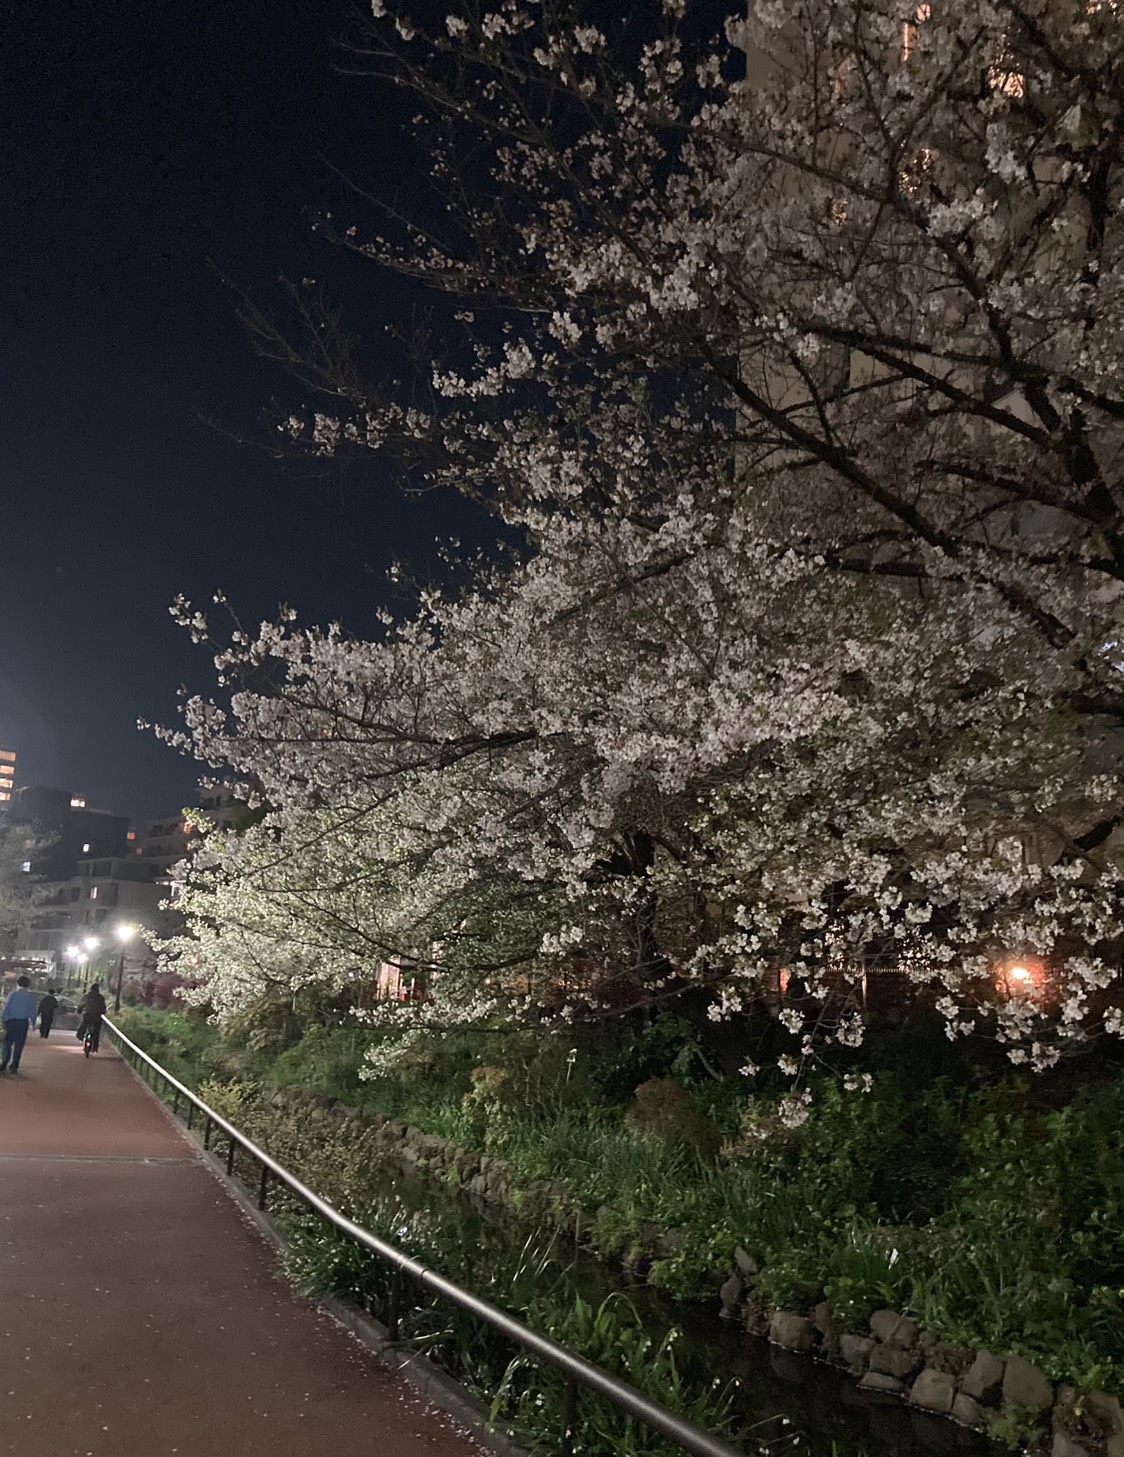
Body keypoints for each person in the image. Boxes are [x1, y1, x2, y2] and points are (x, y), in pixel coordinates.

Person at [1, 976, 39, 1073]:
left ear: (18, 983)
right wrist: (34, 1023)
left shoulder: (12, 994)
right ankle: (14, 1065)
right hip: (23, 1022)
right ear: (28, 984)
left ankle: (4, 1062)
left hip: (11, 1021)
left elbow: (6, 1008)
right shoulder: (30, 997)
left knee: (7, 1043)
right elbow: (33, 1011)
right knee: (19, 1044)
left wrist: (4, 1019)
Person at [76, 984, 107, 1053]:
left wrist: (79, 1011)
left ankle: (80, 1036)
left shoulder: (87, 996)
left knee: (83, 1025)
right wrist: (102, 1012)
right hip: (97, 1017)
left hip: (88, 1016)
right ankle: (95, 1047)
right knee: (96, 1032)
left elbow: (81, 1005)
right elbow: (103, 1008)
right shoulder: (101, 998)